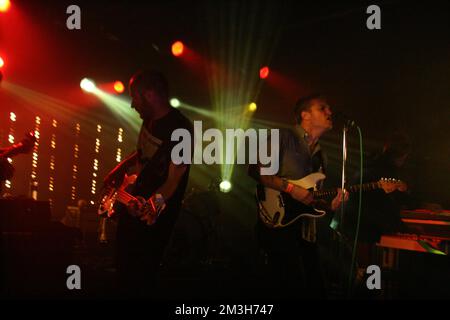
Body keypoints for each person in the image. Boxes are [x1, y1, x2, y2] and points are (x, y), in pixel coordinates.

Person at [103, 69, 193, 298]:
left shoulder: (181, 128)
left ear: (150, 94)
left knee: (142, 275)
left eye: (135, 96)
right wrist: (119, 170)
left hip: (154, 214)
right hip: (135, 206)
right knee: (124, 269)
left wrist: (153, 205)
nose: (132, 104)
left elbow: (175, 178)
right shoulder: (150, 122)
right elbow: (142, 154)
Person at [249, 94, 347, 299]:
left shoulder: (322, 155)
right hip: (277, 222)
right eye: (323, 108)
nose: (330, 113)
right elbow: (259, 171)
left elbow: (312, 198)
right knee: (287, 283)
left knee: (314, 285)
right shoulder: (282, 138)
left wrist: (331, 205)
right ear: (305, 115)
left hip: (305, 229)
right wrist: (292, 189)